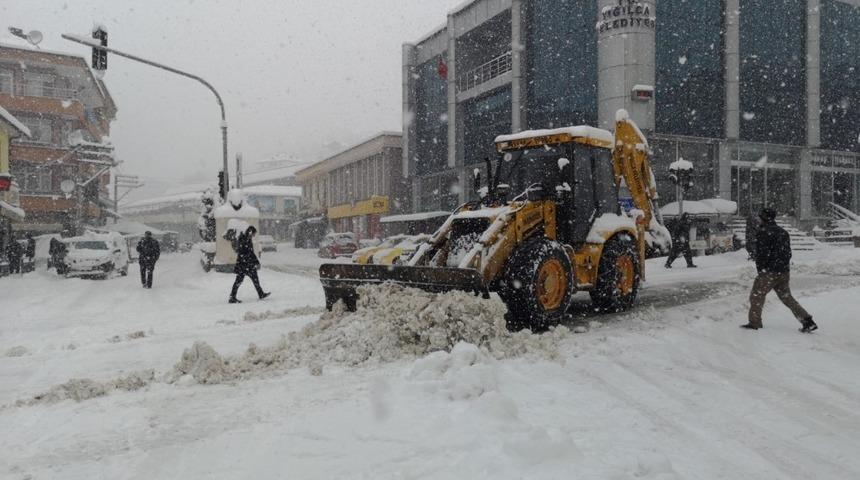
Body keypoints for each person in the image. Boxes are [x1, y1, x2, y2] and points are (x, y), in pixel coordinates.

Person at [742, 208, 817, 333]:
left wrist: (761, 269)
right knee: (787, 297)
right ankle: (807, 320)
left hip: (769, 272)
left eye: (760, 217)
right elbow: (788, 253)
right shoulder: (783, 232)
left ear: (763, 218)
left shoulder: (763, 232)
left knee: (756, 296)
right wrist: (783, 266)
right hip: (783, 271)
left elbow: (762, 254)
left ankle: (754, 322)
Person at [229, 225, 270, 303]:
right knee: (239, 281)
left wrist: (256, 262)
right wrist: (249, 259)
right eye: (253, 234)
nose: (254, 235)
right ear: (250, 232)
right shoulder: (242, 239)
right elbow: (243, 252)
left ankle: (261, 294)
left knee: (255, 279)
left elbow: (251, 252)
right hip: (243, 265)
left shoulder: (248, 239)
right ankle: (232, 297)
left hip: (248, 265)